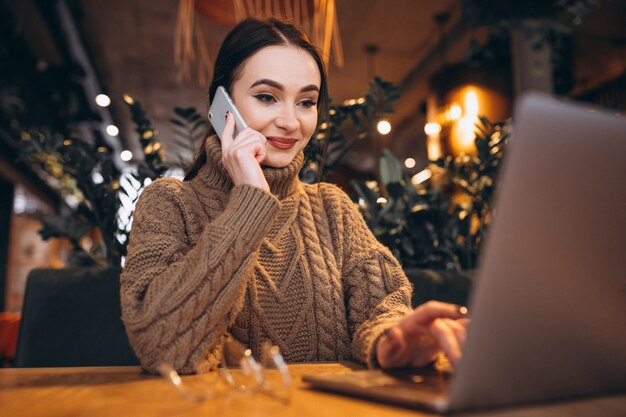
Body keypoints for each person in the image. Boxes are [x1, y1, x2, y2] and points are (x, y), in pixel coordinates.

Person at [120, 17, 468, 375]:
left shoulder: (331, 208)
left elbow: (384, 306)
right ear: (222, 105)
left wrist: (392, 341)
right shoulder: (169, 202)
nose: (291, 121)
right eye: (267, 97)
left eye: (306, 102)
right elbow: (162, 350)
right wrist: (248, 205)